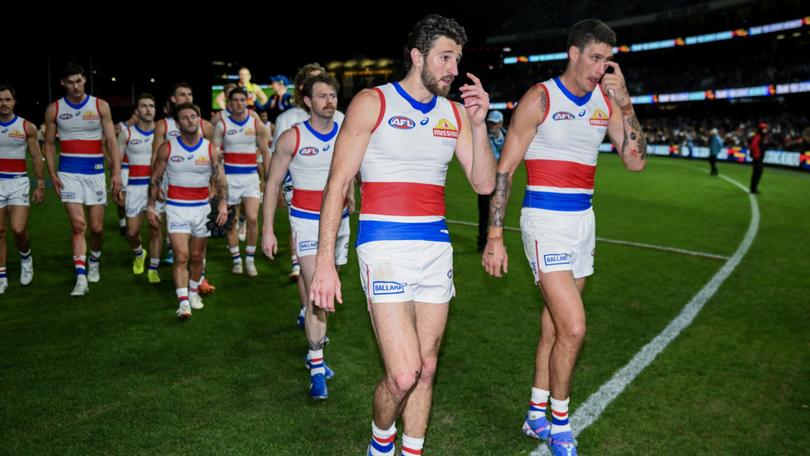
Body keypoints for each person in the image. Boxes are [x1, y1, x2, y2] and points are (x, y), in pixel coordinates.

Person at [307, 14, 495, 455]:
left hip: (436, 248)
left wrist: (480, 124)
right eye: (445, 57)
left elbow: (484, 183)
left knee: (427, 369)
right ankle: (380, 444)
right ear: (417, 56)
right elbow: (337, 184)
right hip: (384, 246)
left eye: (457, 59)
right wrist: (323, 266)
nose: (453, 68)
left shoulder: (454, 114)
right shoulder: (373, 103)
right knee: (403, 373)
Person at [482, 19, 646, 456]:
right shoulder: (541, 98)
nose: (600, 68)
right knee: (574, 327)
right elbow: (505, 170)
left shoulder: (605, 101)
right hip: (545, 222)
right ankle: (560, 422)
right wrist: (495, 236)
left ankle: (535, 412)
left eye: (607, 61)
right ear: (573, 53)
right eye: (595, 58)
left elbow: (635, 162)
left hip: (583, 222)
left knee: (555, 326)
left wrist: (624, 102)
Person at [262, 74, 347, 399]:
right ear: (307, 101)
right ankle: (316, 367)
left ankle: (315, 353)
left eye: (333, 95)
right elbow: (271, 185)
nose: (330, 101)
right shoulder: (291, 138)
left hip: (339, 224)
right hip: (307, 224)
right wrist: (268, 229)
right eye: (322, 96)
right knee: (318, 293)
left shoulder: (345, 132)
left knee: (325, 296)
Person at [272, 63, 345, 328]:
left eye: (330, 92)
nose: (326, 98)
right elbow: (277, 165)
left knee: (325, 267)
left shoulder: (341, 120)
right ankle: (309, 310)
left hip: (335, 204)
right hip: (301, 198)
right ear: (305, 93)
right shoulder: (288, 121)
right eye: (318, 89)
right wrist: (282, 190)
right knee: (310, 267)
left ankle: (310, 307)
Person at [43, 63, 123, 296]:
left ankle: (94, 261)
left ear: (85, 80)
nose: (75, 86)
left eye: (79, 81)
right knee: (79, 226)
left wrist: (116, 173)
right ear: (63, 83)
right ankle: (81, 277)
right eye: (70, 82)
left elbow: (111, 141)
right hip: (69, 172)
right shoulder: (54, 109)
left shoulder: (100, 106)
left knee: (96, 228)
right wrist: (53, 174)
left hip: (96, 171)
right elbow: (48, 145)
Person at [146, 103, 227, 319]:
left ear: (198, 119)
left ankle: (193, 293)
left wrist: (222, 205)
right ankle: (183, 302)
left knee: (197, 256)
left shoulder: (210, 148)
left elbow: (220, 179)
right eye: (185, 118)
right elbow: (155, 179)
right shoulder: (168, 148)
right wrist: (151, 206)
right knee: (181, 256)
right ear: (177, 123)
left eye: (194, 116)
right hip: (176, 208)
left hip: (201, 209)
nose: (190, 121)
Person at [152, 83, 216, 294]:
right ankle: (184, 290)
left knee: (197, 252)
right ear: (173, 99)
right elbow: (156, 161)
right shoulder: (163, 126)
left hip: (199, 195)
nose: (187, 97)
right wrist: (153, 198)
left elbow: (215, 163)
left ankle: (198, 281)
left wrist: (217, 195)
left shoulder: (205, 126)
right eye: (182, 94)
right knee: (182, 253)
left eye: (190, 93)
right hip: (174, 192)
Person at [212, 87, 271, 277]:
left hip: (250, 178)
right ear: (229, 103)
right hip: (229, 178)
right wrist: (215, 179)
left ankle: (250, 259)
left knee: (252, 218)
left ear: (247, 101)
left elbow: (265, 151)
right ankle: (236, 260)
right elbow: (213, 153)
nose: (238, 103)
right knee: (232, 221)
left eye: (242, 100)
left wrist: (269, 178)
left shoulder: (256, 124)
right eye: (235, 100)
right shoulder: (222, 125)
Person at [0, 84, 45, 294]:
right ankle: (1, 275)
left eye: (7, 99)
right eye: (0, 100)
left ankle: (26, 259)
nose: (3, 104)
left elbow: (37, 156)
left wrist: (40, 184)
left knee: (18, 230)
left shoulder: (27, 127)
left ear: (14, 102)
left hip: (19, 182)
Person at [118, 93, 163, 282]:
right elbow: (118, 162)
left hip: (156, 187)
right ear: (137, 110)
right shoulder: (127, 133)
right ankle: (139, 253)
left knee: (155, 229)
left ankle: (153, 268)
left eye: (151, 106)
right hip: (134, 187)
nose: (148, 109)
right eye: (144, 106)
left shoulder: (162, 133)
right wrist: (118, 185)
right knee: (132, 232)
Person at [477, 110, 506, 251]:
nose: (491, 126)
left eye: (494, 123)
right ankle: (482, 242)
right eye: (490, 123)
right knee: (484, 211)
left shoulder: (507, 137)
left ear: (501, 123)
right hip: (484, 177)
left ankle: (496, 240)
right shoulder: (482, 137)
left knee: (498, 211)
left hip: (500, 179)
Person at [749, 122, 767, 194]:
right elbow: (753, 146)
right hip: (757, 158)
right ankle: (753, 189)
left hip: (758, 157)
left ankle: (753, 188)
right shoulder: (758, 136)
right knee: (757, 173)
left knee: (757, 173)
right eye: (764, 128)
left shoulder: (759, 136)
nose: (765, 130)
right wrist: (756, 154)